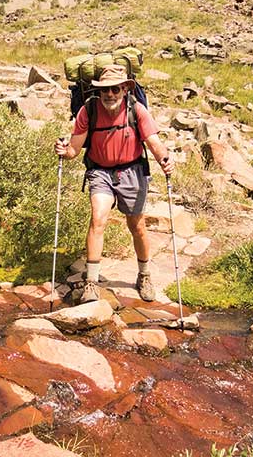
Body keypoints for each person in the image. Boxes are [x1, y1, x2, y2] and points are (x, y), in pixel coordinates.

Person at [54, 64, 174, 304]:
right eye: (105, 90)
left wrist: (164, 160)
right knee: (98, 219)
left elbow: (153, 141)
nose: (110, 94)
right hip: (100, 171)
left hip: (132, 171)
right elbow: (75, 150)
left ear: (125, 89)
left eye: (115, 89)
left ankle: (144, 275)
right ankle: (91, 282)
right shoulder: (88, 111)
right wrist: (63, 151)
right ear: (98, 91)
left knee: (136, 225)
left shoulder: (137, 110)